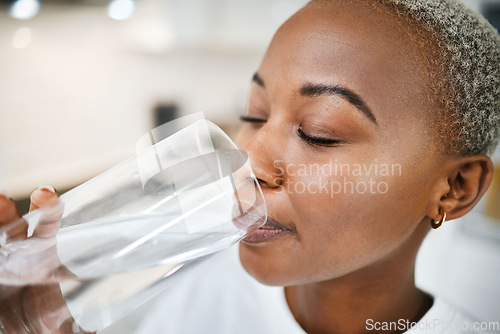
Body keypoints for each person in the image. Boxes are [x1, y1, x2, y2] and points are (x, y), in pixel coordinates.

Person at [1, 0, 499, 333]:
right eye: (254, 115)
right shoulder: (148, 295)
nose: (249, 161)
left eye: (318, 133)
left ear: (454, 188)